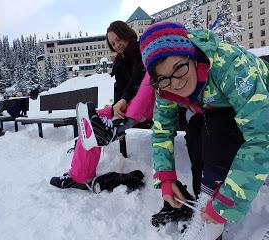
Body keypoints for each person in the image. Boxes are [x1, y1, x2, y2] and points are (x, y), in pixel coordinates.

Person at [139, 21, 269, 239]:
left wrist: (228, 202)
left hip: (261, 112)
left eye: (179, 68)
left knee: (217, 128)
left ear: (193, 56)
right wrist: (165, 176)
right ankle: (205, 207)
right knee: (196, 131)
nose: (176, 83)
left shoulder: (231, 65)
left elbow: (262, 136)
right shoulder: (164, 87)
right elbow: (162, 129)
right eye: (163, 79)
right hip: (223, 111)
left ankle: (215, 207)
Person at [50, 21, 158, 193]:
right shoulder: (122, 60)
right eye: (113, 43)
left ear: (126, 33)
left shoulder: (141, 51)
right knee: (91, 122)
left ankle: (110, 131)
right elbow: (122, 88)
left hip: (146, 106)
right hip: (127, 106)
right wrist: (115, 106)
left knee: (96, 124)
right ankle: (79, 175)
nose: (117, 45)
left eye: (118, 39)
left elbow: (140, 79)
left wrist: (122, 101)